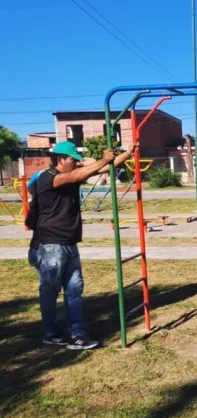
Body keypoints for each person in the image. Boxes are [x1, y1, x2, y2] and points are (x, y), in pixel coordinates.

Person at [27, 141, 136, 350]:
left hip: (68, 243)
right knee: (50, 291)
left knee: (74, 289)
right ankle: (51, 333)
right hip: (50, 245)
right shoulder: (49, 177)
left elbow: (105, 167)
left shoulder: (70, 176)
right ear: (60, 159)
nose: (76, 163)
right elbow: (77, 175)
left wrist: (127, 153)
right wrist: (103, 159)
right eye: (72, 159)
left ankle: (77, 335)